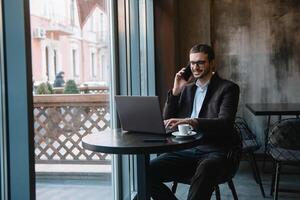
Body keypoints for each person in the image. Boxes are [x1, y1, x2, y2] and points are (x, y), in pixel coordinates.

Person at [149, 44, 240, 200]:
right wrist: (176, 91)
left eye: (200, 62)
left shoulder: (228, 88)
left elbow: (225, 123)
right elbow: (166, 120)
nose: (195, 67)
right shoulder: (187, 89)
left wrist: (191, 121)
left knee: (206, 169)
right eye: (192, 63)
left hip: (214, 150)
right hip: (184, 150)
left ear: (212, 63)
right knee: (146, 172)